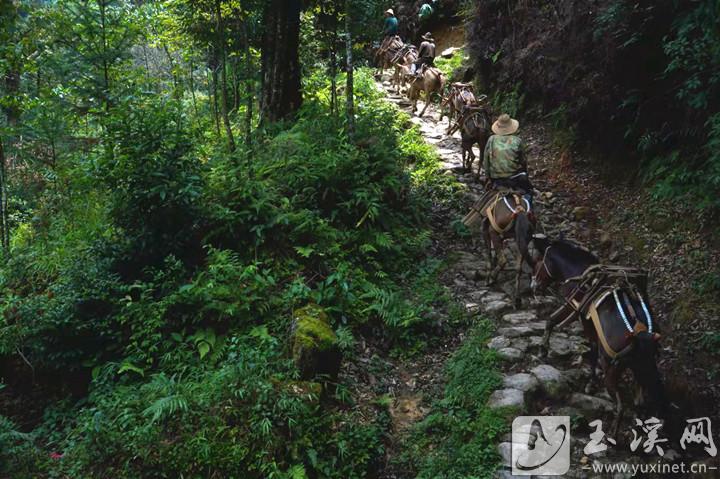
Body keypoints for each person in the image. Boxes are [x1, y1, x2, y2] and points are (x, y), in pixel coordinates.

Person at [482, 113, 533, 195]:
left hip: (496, 178)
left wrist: (488, 177)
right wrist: (524, 171)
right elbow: (523, 161)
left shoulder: (491, 139)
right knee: (529, 192)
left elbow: (486, 160)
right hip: (513, 178)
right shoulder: (517, 141)